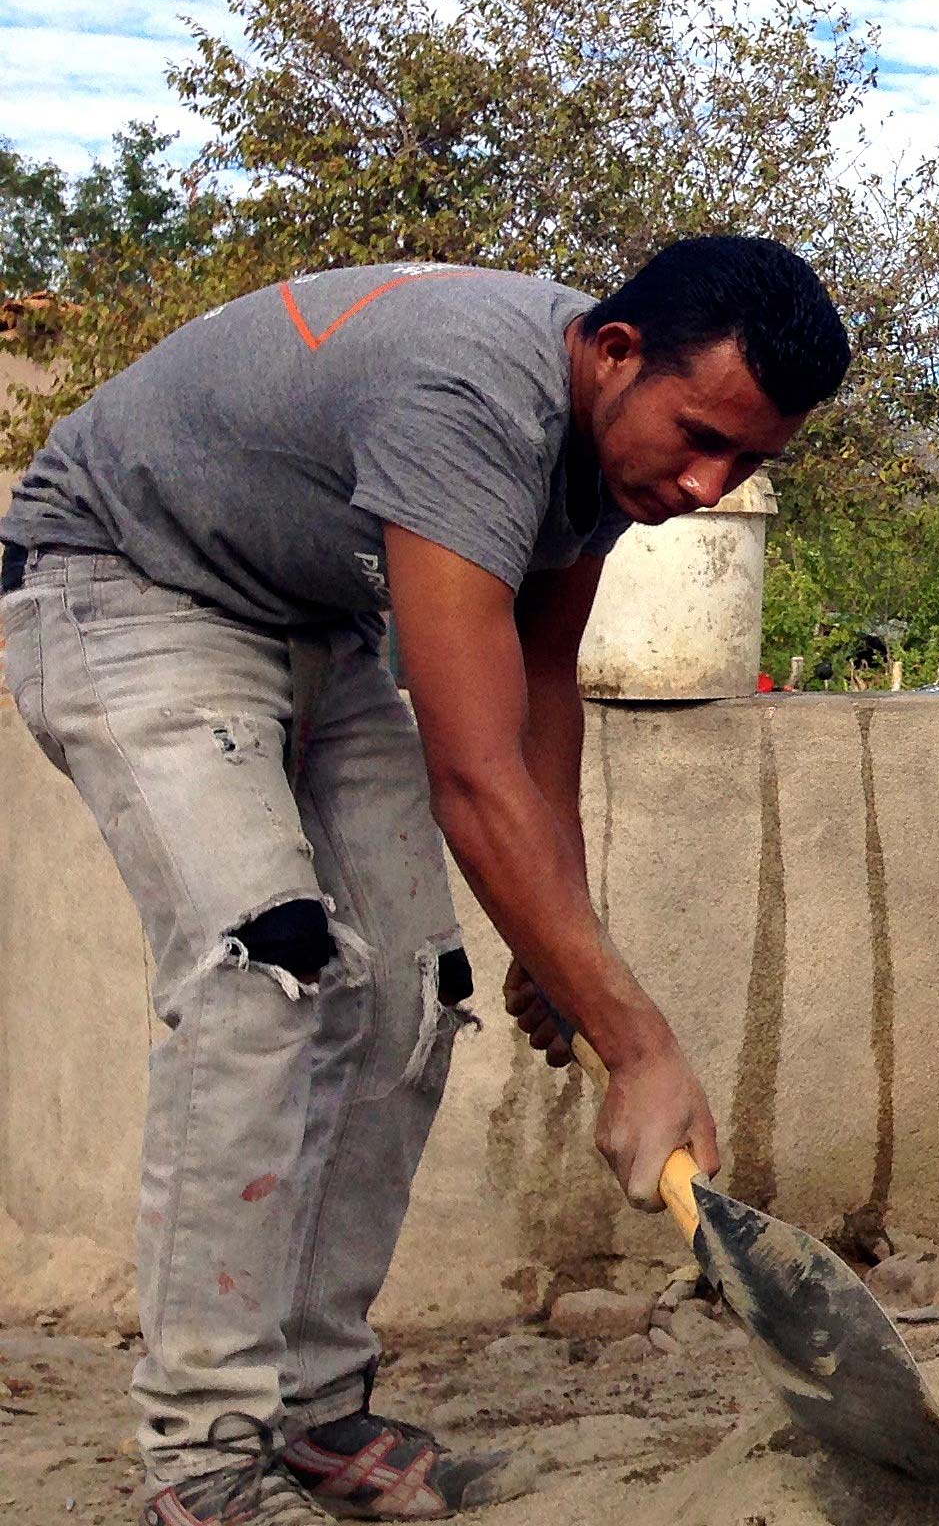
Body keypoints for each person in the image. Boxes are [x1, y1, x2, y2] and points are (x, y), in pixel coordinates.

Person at [0, 238, 848, 1524]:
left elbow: (539, 680)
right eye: (697, 438)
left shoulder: (616, 446)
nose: (707, 482)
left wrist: (553, 942)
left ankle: (312, 1408)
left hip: (311, 629)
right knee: (261, 974)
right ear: (614, 351)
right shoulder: (468, 395)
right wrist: (639, 1046)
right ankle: (207, 1459)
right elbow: (469, 774)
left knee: (414, 986)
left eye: (747, 460)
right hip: (124, 586)